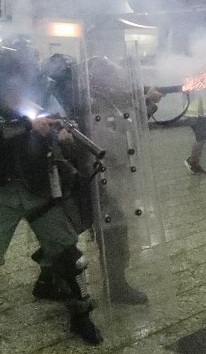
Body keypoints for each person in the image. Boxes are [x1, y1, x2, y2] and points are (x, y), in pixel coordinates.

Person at [0, 37, 103, 350]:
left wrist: (62, 132)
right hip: (0, 188)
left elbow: (58, 120)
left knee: (72, 260)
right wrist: (27, 126)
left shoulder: (42, 88)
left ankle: (81, 316)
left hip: (38, 186)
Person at [31, 53, 148, 305]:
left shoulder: (90, 98)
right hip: (67, 177)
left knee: (109, 226)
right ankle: (55, 280)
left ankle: (114, 284)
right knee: (66, 233)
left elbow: (118, 125)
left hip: (89, 174)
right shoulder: (59, 101)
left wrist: (146, 102)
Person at [184, 89, 206, 175]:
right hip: (194, 114)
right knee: (200, 138)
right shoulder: (195, 83)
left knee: (203, 137)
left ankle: (195, 163)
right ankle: (192, 161)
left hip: (201, 113)